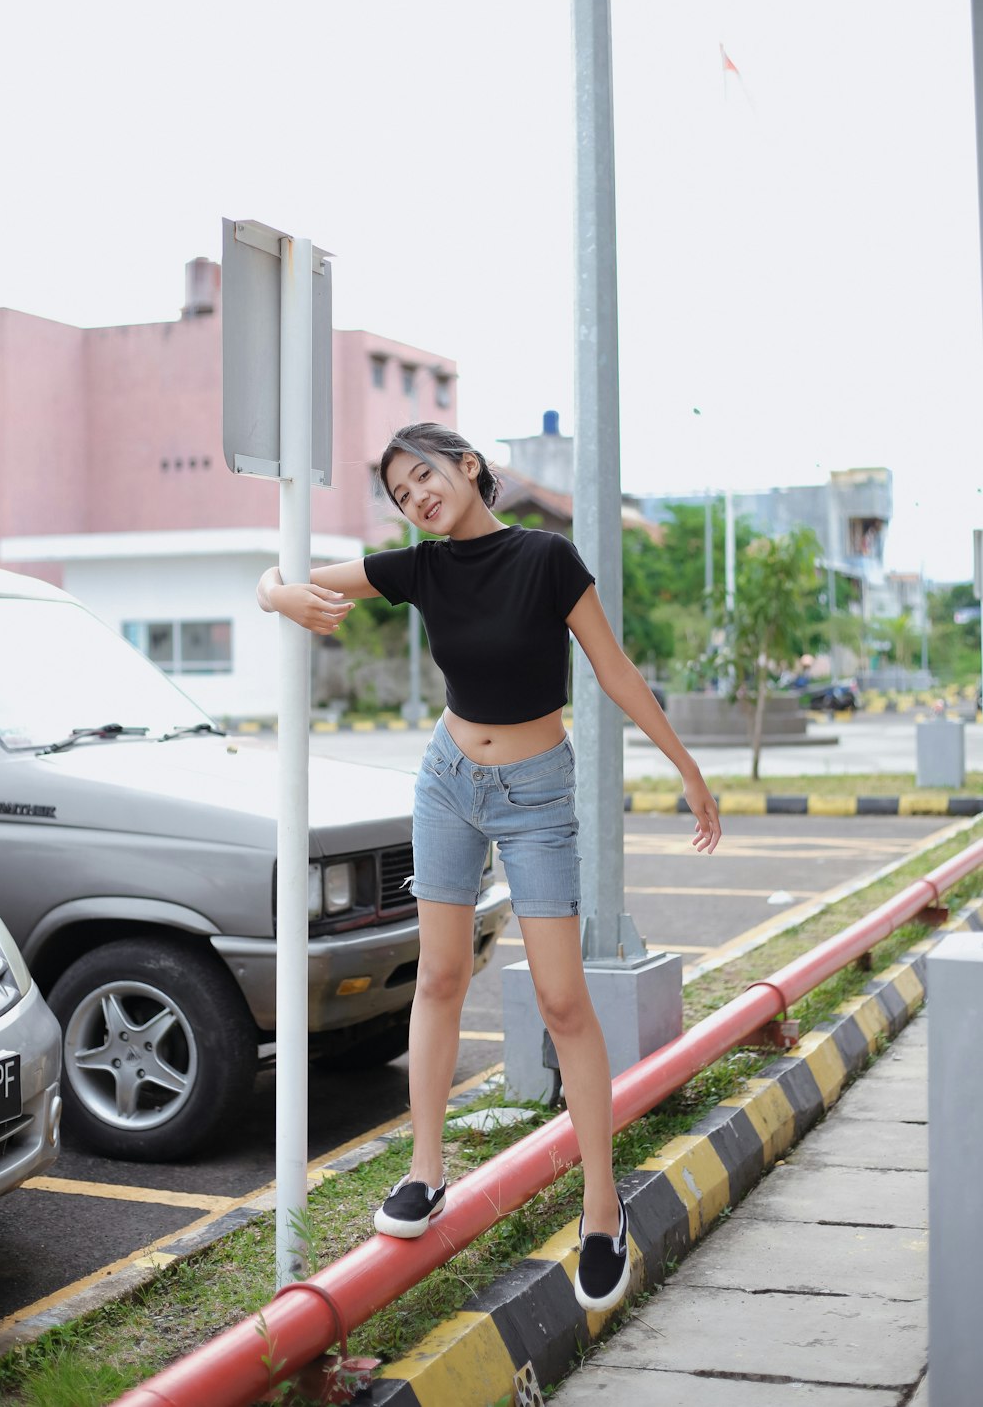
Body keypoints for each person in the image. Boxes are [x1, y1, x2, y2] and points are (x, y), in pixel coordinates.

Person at [256, 422, 721, 1313]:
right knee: (441, 974)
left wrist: (688, 770)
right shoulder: (419, 567)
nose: (416, 499)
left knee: (561, 999)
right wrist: (277, 595)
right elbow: (290, 576)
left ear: (468, 467)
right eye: (399, 494)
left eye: (423, 477)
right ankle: (426, 1172)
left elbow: (615, 671)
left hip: (539, 793)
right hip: (446, 780)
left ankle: (598, 1206)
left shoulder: (547, 559)